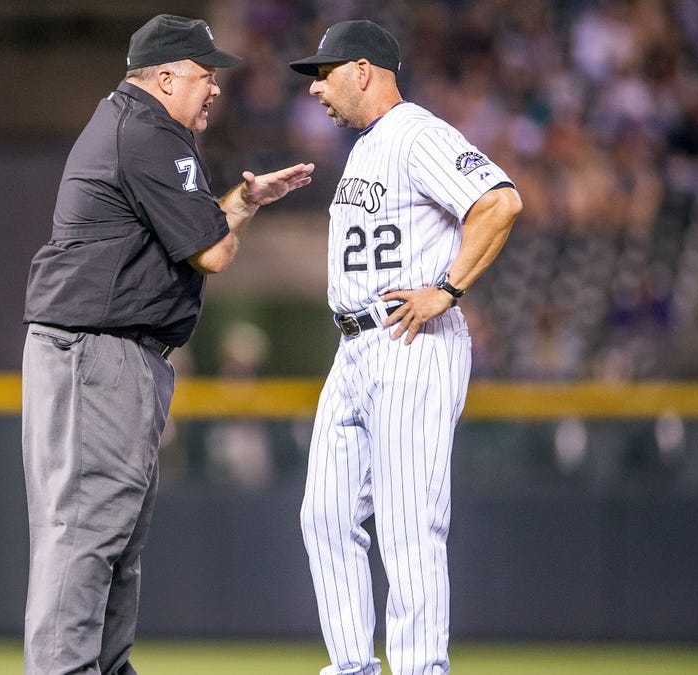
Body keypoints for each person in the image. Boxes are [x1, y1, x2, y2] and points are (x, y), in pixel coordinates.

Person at [21, 13, 314, 675]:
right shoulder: (150, 130)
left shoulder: (135, 126)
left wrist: (240, 202)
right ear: (165, 76)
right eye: (203, 74)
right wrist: (228, 216)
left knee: (110, 532)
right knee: (88, 528)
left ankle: (100, 665)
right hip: (97, 351)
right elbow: (211, 251)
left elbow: (198, 230)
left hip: (101, 351)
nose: (214, 87)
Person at [287, 20, 522, 675]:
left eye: (324, 74)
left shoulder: (417, 132)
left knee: (407, 520)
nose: (315, 90)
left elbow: (500, 202)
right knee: (325, 514)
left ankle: (420, 666)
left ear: (364, 70)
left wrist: (448, 288)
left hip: (411, 339)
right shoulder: (365, 148)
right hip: (355, 346)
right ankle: (354, 665)